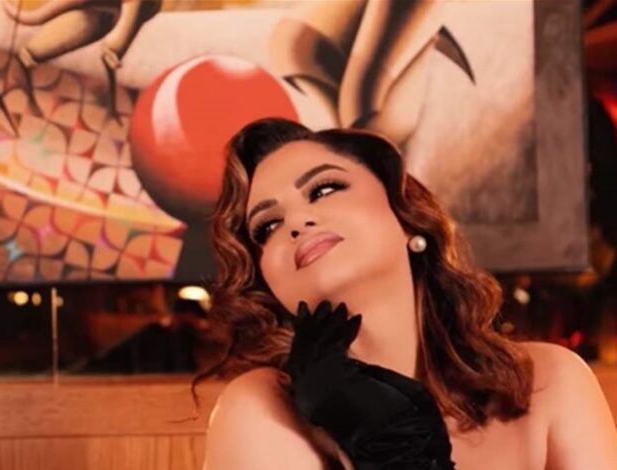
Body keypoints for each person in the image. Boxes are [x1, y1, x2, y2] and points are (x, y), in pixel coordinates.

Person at [198, 118, 617, 469]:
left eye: (324, 189)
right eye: (267, 227)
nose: (296, 222)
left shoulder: (549, 381)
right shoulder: (261, 409)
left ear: (408, 219)